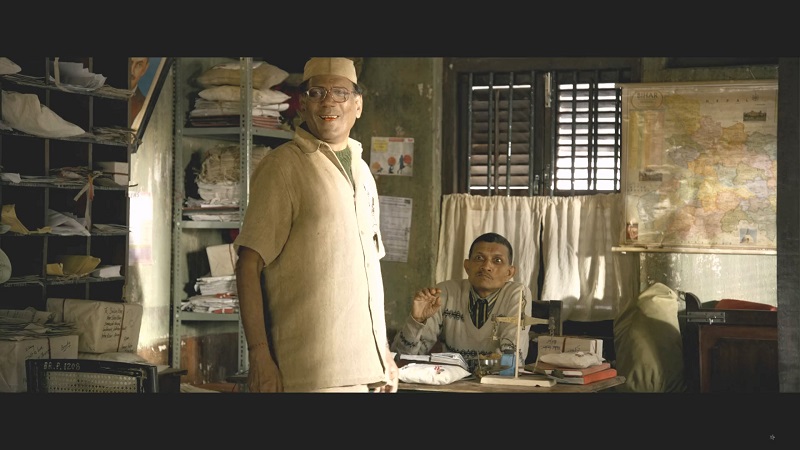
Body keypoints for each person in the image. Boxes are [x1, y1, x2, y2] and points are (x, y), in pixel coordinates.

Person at [233, 57, 398, 393]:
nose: (328, 102)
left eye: (340, 93)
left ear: (358, 105)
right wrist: (259, 355)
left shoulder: (363, 173)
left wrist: (384, 355)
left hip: (366, 371)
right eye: (316, 93)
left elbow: (369, 273)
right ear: (303, 104)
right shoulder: (282, 167)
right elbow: (248, 265)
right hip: (308, 373)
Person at [391, 232, 533, 372]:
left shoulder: (518, 294)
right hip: (451, 380)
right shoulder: (446, 292)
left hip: (495, 382)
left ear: (509, 273)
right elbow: (403, 359)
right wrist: (416, 321)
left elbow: (511, 361)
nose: (486, 266)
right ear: (467, 266)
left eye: (497, 260)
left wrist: (464, 366)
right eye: (479, 258)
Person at [129, 57, 150, 122]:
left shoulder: (145, 107)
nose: (131, 71)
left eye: (139, 65)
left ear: (144, 70)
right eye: (129, 62)